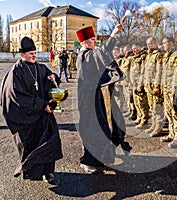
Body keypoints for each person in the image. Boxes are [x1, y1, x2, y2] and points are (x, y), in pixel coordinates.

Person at [0, 36, 63, 185]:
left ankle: (48, 172)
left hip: (43, 116)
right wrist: (42, 105)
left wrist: (54, 78)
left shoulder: (40, 67)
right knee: (31, 145)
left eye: (35, 53)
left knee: (49, 141)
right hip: (26, 118)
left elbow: (53, 83)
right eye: (31, 54)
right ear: (22, 55)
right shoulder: (16, 72)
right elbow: (16, 97)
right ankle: (32, 171)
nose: (34, 56)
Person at [76, 25, 131, 173]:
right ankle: (88, 161)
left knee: (104, 127)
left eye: (95, 39)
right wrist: (113, 34)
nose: (95, 42)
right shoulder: (85, 55)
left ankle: (102, 158)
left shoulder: (90, 54)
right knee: (91, 130)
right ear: (83, 42)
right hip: (88, 100)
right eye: (92, 40)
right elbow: (102, 53)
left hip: (98, 96)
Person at [141, 37, 164, 137]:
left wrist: (157, 85)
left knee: (157, 107)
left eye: (151, 43)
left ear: (155, 43)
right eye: (148, 43)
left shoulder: (158, 55)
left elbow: (159, 71)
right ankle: (154, 124)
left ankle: (159, 127)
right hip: (148, 85)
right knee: (152, 107)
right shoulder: (148, 55)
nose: (149, 45)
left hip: (154, 85)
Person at [160, 37, 177, 143]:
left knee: (175, 113)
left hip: (173, 89)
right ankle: (172, 133)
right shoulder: (166, 55)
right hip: (166, 88)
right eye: (163, 43)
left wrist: (175, 91)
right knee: (168, 112)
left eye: (165, 43)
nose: (164, 45)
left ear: (172, 43)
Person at [130, 42, 149, 129]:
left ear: (141, 48)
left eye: (137, 48)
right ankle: (139, 117)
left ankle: (144, 120)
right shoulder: (134, 58)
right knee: (137, 102)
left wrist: (140, 84)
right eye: (133, 48)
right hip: (134, 83)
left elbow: (143, 72)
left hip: (139, 83)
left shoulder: (143, 57)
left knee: (142, 103)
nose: (135, 50)